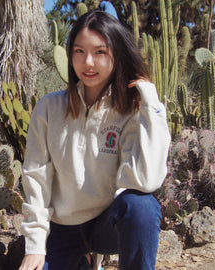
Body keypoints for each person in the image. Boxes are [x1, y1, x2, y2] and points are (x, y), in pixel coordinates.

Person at [18, 10, 171, 270]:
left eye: (100, 52)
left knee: (142, 207)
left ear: (117, 54)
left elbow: (145, 181)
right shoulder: (49, 107)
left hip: (104, 226)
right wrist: (34, 246)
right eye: (79, 51)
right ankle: (84, 262)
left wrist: (151, 104)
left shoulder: (131, 110)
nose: (88, 62)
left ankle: (92, 257)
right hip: (61, 229)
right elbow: (36, 177)